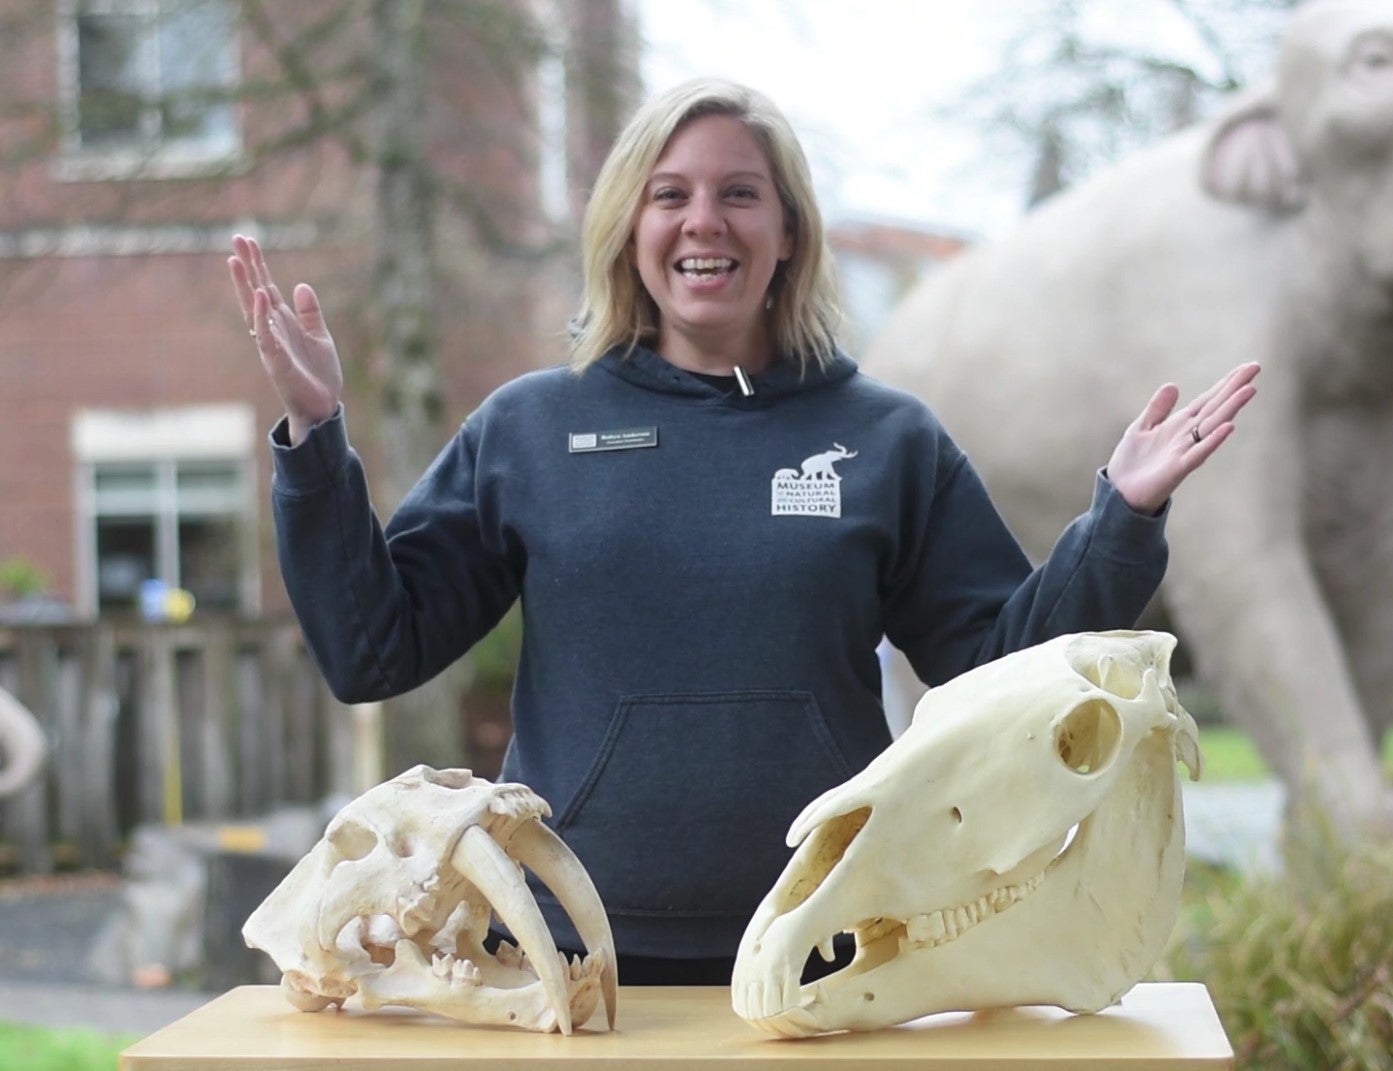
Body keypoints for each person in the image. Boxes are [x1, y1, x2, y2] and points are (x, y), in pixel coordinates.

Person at [228, 78, 1258, 986]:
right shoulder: (531, 430)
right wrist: (316, 440)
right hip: (570, 959)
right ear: (628, 228)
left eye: (738, 193)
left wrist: (1118, 520)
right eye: (669, 194)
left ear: (789, 232)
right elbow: (373, 649)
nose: (701, 222)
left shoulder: (884, 439)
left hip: (821, 941)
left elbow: (1002, 672)